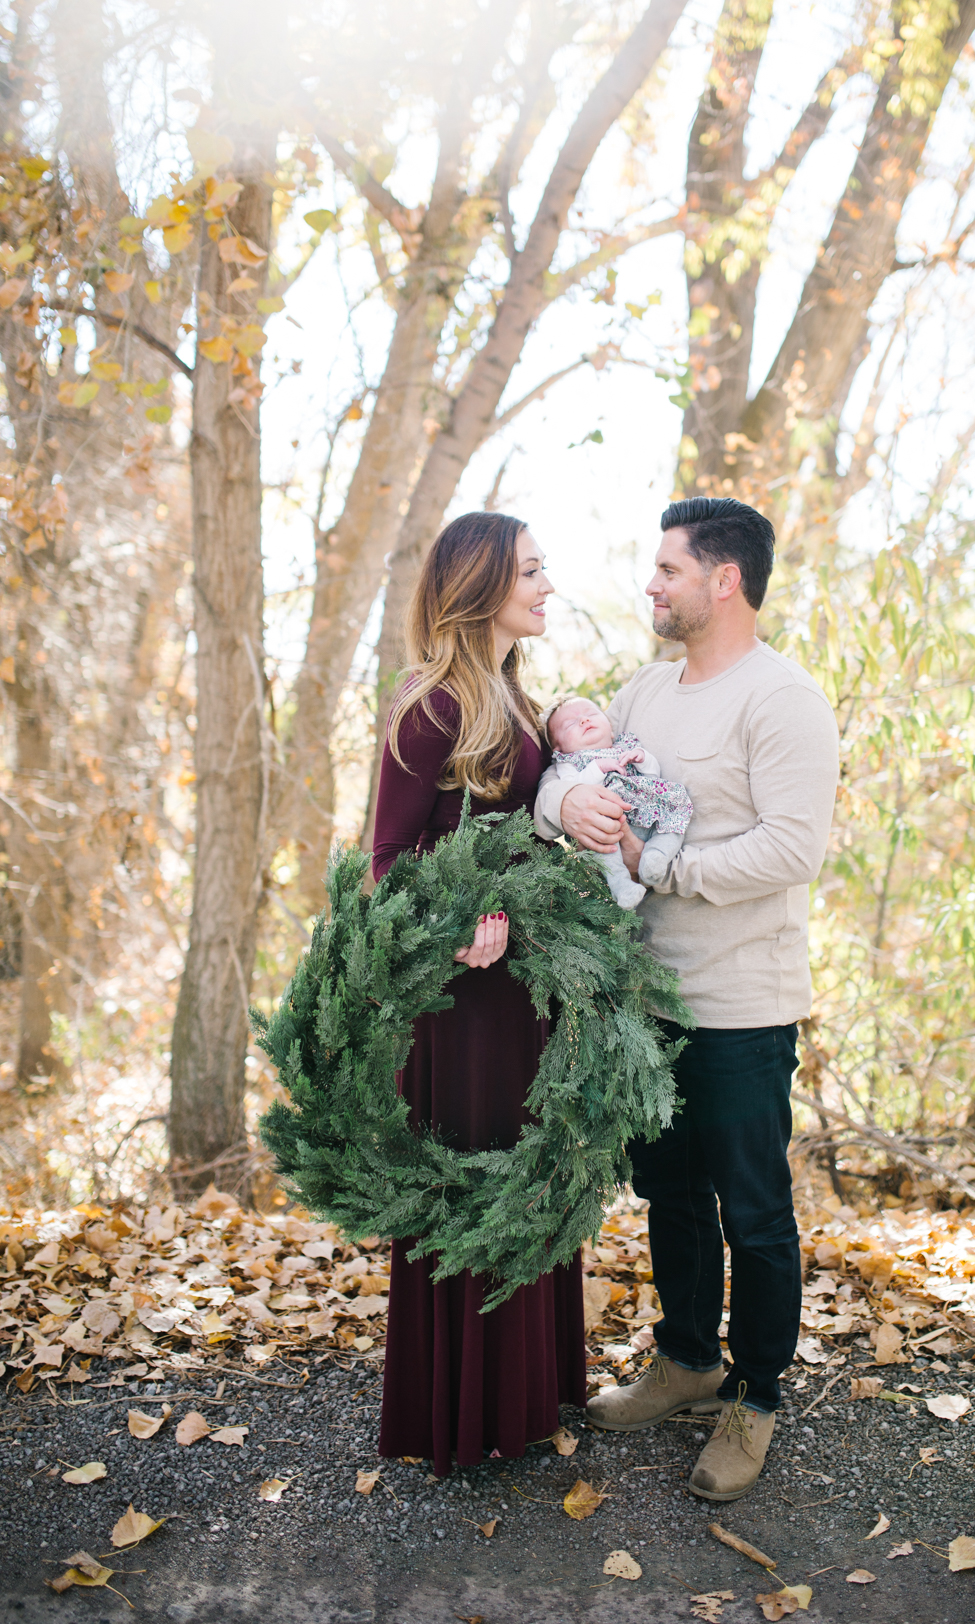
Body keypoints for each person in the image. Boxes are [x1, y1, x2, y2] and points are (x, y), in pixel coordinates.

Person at [534, 496, 839, 1503]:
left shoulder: (782, 698)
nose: (652, 586)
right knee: (670, 1193)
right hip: (650, 1002)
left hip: (745, 1003)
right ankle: (685, 1359)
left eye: (668, 569)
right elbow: (572, 773)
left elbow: (795, 846)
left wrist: (666, 869)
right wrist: (558, 803)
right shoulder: (644, 689)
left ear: (723, 580)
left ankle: (754, 1396)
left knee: (753, 1209)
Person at [372, 511, 585, 1477]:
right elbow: (386, 862)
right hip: (463, 1007)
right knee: (480, 1179)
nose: (547, 585)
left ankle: (524, 1393)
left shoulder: (516, 697)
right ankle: (463, 1409)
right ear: (482, 585)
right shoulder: (432, 707)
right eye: (532, 571)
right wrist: (456, 926)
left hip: (525, 993)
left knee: (529, 1173)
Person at [541, 694, 693, 909]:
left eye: (591, 714)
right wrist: (597, 768)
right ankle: (622, 886)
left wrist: (642, 758)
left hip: (646, 808)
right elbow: (571, 787)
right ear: (558, 748)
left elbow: (653, 775)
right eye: (570, 724)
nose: (584, 720)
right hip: (609, 822)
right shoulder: (569, 763)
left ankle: (656, 855)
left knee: (675, 809)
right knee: (603, 847)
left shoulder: (626, 745)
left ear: (611, 728)